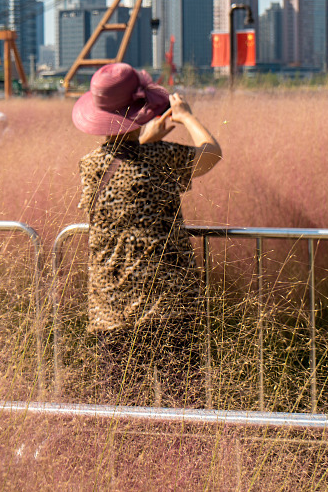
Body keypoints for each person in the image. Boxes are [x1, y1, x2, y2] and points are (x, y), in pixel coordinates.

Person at [72, 62, 222, 407]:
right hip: (167, 301)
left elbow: (125, 161)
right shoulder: (162, 158)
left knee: (123, 404)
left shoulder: (90, 165)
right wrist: (186, 117)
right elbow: (211, 153)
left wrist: (144, 137)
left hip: (111, 306)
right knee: (182, 402)